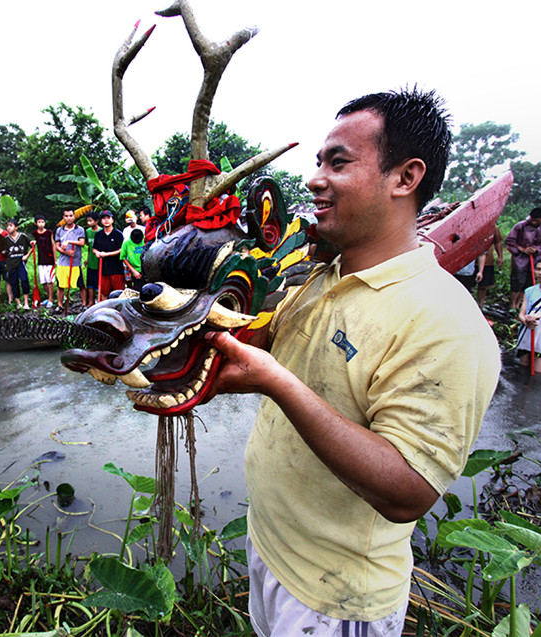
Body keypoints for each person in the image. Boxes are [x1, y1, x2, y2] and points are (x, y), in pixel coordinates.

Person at [203, 89, 500, 637]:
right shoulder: (316, 273)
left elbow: (408, 491)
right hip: (270, 548)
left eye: (338, 162)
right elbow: (264, 348)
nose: (315, 178)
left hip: (336, 597)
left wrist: (274, 383)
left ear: (404, 178)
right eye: (317, 162)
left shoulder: (445, 321)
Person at [505, 207, 541, 311]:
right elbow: (510, 241)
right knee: (517, 281)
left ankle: (520, 304)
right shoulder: (521, 225)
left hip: (536, 259)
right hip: (520, 259)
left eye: (537, 220)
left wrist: (536, 249)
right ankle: (512, 305)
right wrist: (522, 249)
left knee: (529, 283)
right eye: (532, 219)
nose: (533, 222)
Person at [53, 209, 86, 311]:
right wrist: (65, 252)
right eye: (66, 216)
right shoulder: (59, 230)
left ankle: (84, 305)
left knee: (80, 284)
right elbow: (57, 245)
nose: (69, 218)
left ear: (74, 217)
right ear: (63, 217)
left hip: (75, 262)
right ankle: (60, 305)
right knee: (60, 285)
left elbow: (82, 243)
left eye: (71, 216)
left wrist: (69, 242)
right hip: (63, 262)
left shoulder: (79, 229)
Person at [93, 210, 125, 301]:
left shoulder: (118, 234)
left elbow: (121, 250)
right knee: (104, 292)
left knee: (118, 292)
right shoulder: (98, 234)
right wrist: (97, 253)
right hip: (103, 268)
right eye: (104, 218)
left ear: (112, 220)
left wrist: (107, 254)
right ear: (101, 221)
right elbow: (94, 248)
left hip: (116, 268)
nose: (106, 220)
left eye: (108, 218)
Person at [3, 218, 30, 308]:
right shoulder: (6, 239)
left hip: (21, 262)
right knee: (14, 282)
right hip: (11, 263)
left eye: (11, 225)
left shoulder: (23, 236)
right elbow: (5, 251)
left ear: (16, 227)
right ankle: (18, 302)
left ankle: (26, 302)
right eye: (7, 226)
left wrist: (27, 255)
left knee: (24, 280)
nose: (8, 228)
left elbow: (33, 245)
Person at [32, 214, 56, 308]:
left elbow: (53, 245)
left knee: (50, 280)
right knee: (43, 281)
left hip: (49, 259)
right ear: (36, 223)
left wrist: (55, 259)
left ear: (45, 223)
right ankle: (48, 297)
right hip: (41, 260)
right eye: (39, 222)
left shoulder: (49, 232)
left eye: (42, 222)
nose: (41, 224)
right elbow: (34, 245)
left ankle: (51, 299)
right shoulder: (35, 234)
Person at [476, 224, 504, 308]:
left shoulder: (492, 227)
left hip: (487, 260)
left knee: (483, 285)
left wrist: (500, 256)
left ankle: (481, 304)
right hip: (469, 261)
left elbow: (498, 242)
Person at [83, 211, 101, 306]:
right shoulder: (88, 232)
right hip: (91, 261)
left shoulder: (101, 231)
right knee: (90, 283)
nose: (88, 223)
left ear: (96, 221)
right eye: (88, 221)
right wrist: (87, 258)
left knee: (98, 283)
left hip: (99, 261)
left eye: (90, 221)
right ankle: (90, 302)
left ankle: (99, 301)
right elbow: (89, 247)